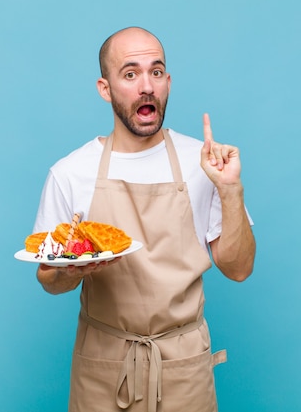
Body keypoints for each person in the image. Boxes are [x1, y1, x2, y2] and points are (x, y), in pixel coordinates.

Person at [32, 26, 256, 412]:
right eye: (130, 73)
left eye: (156, 72)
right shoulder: (71, 172)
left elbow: (238, 269)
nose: (146, 86)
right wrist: (72, 270)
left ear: (167, 82)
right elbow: (49, 280)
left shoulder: (202, 162)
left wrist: (230, 189)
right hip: (103, 366)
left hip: (183, 366)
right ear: (105, 88)